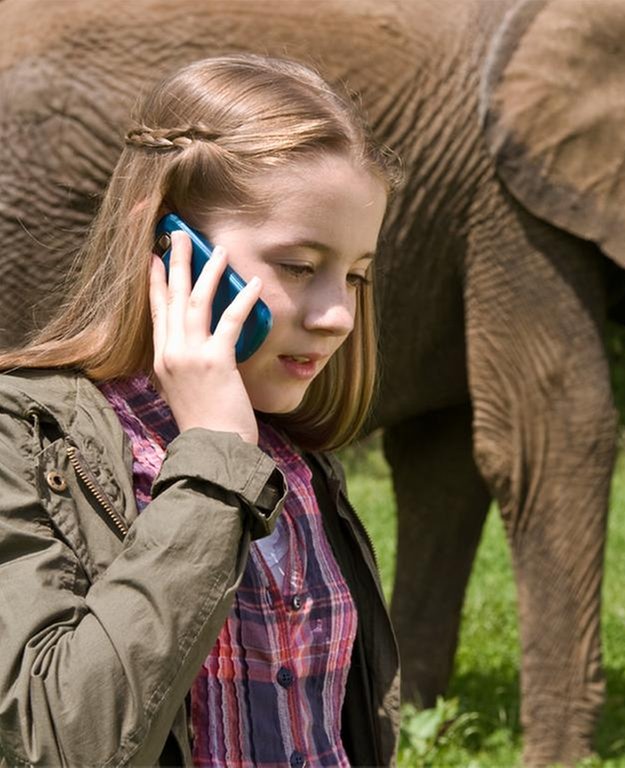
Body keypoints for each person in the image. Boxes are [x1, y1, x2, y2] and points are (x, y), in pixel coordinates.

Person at [0, 54, 401, 767]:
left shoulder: (299, 466)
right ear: (166, 242)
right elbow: (58, 739)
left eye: (356, 274)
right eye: (301, 267)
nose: (339, 313)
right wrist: (214, 459)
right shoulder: (24, 441)